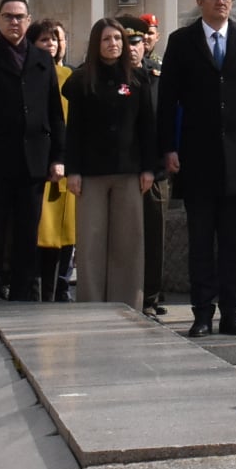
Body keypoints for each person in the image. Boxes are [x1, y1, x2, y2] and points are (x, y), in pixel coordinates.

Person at [159, 0, 236, 337]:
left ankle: (231, 312)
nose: (221, 2)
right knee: (200, 241)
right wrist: (168, 147)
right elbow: (166, 101)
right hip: (196, 157)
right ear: (200, 1)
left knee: (232, 242)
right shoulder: (181, 42)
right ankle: (202, 313)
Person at [0, 0, 66, 302]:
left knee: (27, 232)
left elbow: (54, 114)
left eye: (20, 16)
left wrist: (58, 157)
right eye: (8, 16)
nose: (14, 22)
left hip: (34, 161)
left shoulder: (42, 59)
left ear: (28, 20)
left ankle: (25, 291)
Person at [63, 18, 159, 307]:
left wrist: (148, 168)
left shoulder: (138, 78)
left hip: (129, 170)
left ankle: (128, 303)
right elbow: (74, 129)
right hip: (91, 172)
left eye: (118, 39)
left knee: (128, 241)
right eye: (107, 39)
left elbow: (147, 128)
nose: (114, 44)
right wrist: (73, 171)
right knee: (91, 240)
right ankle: (91, 302)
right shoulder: (81, 80)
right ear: (96, 44)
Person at [30, 18, 77, 301]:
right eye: (44, 39)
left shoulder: (73, 77)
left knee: (67, 234)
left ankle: (61, 286)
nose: (51, 44)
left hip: (68, 165)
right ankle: (40, 288)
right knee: (42, 234)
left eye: (56, 39)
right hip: (41, 166)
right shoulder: (30, 75)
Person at [128, 22, 169, 317]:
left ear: (146, 45)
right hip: (120, 171)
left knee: (154, 236)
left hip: (154, 171)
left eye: (137, 42)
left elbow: (169, 124)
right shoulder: (106, 80)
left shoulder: (158, 80)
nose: (132, 48)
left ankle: (151, 297)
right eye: (127, 42)